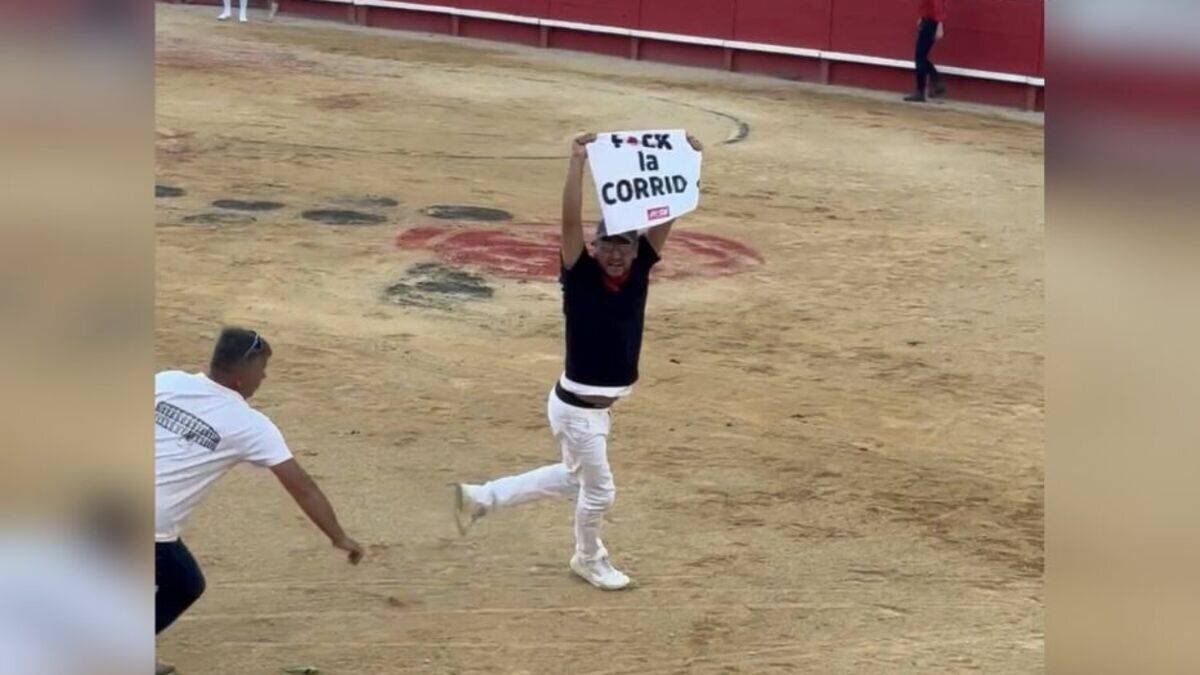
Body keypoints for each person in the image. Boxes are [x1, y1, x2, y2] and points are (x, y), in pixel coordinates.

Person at [453, 131, 703, 591]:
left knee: (574, 482)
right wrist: (576, 164)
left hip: (588, 407)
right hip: (578, 411)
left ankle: (481, 497)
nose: (615, 253)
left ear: (635, 248)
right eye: (606, 243)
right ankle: (588, 557)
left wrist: (686, 162)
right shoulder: (580, 274)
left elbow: (668, 214)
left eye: (624, 245)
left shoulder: (641, 268)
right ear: (594, 246)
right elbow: (568, 220)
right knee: (600, 491)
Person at [155, 328, 364, 674]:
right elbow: (304, 488)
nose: (264, 377)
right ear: (243, 373)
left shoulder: (167, 381)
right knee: (184, 583)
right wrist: (338, 537)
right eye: (262, 369)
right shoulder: (250, 425)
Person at [905, 0, 948, 102]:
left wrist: (939, 24)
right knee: (921, 57)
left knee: (920, 57)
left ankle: (921, 91)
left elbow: (937, 4)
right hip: (929, 21)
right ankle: (936, 81)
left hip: (931, 23)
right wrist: (922, 17)